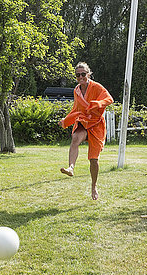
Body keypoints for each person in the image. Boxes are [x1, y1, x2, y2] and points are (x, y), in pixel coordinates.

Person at [59, 62, 113, 200]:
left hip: (96, 124)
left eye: (83, 74)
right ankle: (71, 167)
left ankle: (94, 186)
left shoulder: (96, 87)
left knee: (93, 160)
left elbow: (109, 99)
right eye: (78, 75)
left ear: (89, 74)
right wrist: (66, 120)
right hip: (83, 121)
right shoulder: (76, 90)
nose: (81, 77)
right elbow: (76, 109)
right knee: (75, 138)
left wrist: (98, 104)